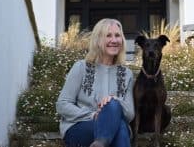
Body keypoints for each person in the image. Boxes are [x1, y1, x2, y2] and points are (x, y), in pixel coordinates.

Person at [56, 18, 135, 147]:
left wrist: (115, 101)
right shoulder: (81, 67)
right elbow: (62, 104)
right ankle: (102, 140)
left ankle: (100, 143)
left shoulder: (127, 74)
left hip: (115, 128)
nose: (114, 40)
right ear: (98, 40)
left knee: (114, 107)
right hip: (81, 127)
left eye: (117, 36)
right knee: (120, 128)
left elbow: (130, 114)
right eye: (108, 35)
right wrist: (92, 115)